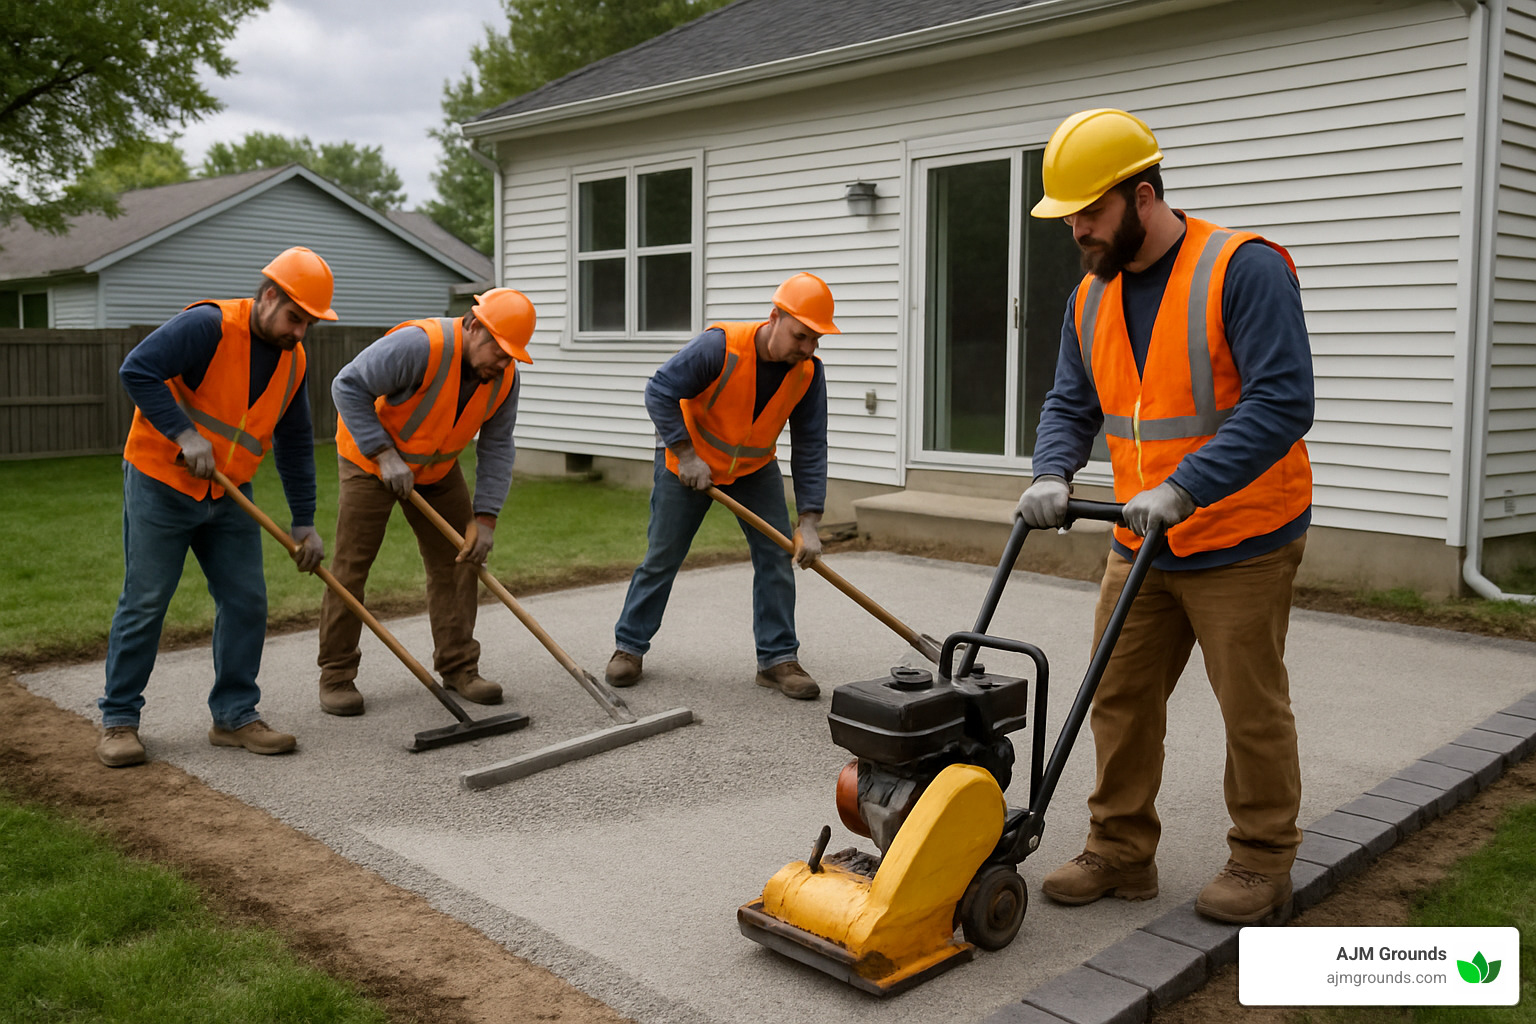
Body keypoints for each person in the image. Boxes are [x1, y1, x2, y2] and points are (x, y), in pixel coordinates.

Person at [1015, 109, 1314, 924]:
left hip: (1241, 536)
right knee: (1116, 697)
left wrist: (1187, 485)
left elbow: (1283, 401)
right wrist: (1051, 470)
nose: (1077, 231)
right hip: (1137, 540)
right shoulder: (1089, 295)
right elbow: (1071, 402)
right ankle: (1118, 851)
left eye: (1090, 213)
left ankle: (1261, 862)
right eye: (1068, 216)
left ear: (1143, 195)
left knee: (1249, 707)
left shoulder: (1242, 269)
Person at [97, 247, 334, 768]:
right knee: (146, 601)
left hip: (229, 495)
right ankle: (119, 719)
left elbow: (294, 441)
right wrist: (183, 434)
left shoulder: (294, 359)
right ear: (269, 296)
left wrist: (304, 522)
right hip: (161, 482)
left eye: (310, 323)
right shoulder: (208, 325)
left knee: (247, 601)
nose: (300, 332)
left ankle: (234, 715)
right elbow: (137, 370)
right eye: (296, 318)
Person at [605, 273, 836, 700]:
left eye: (816, 340)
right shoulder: (721, 346)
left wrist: (809, 521)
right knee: (663, 556)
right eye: (801, 336)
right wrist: (686, 454)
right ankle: (629, 648)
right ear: (775, 317)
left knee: (776, 555)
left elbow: (810, 445)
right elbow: (659, 390)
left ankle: (777, 658)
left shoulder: (807, 374)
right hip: (688, 466)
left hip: (753, 469)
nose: (807, 348)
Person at [316, 289, 535, 715]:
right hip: (369, 463)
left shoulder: (503, 379)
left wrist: (485, 518)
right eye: (498, 349)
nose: (502, 362)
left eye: (511, 355)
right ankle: (337, 676)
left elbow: (497, 445)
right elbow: (347, 385)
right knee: (351, 567)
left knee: (461, 559)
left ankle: (458, 667)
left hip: (436, 469)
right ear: (473, 326)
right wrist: (382, 453)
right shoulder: (420, 345)